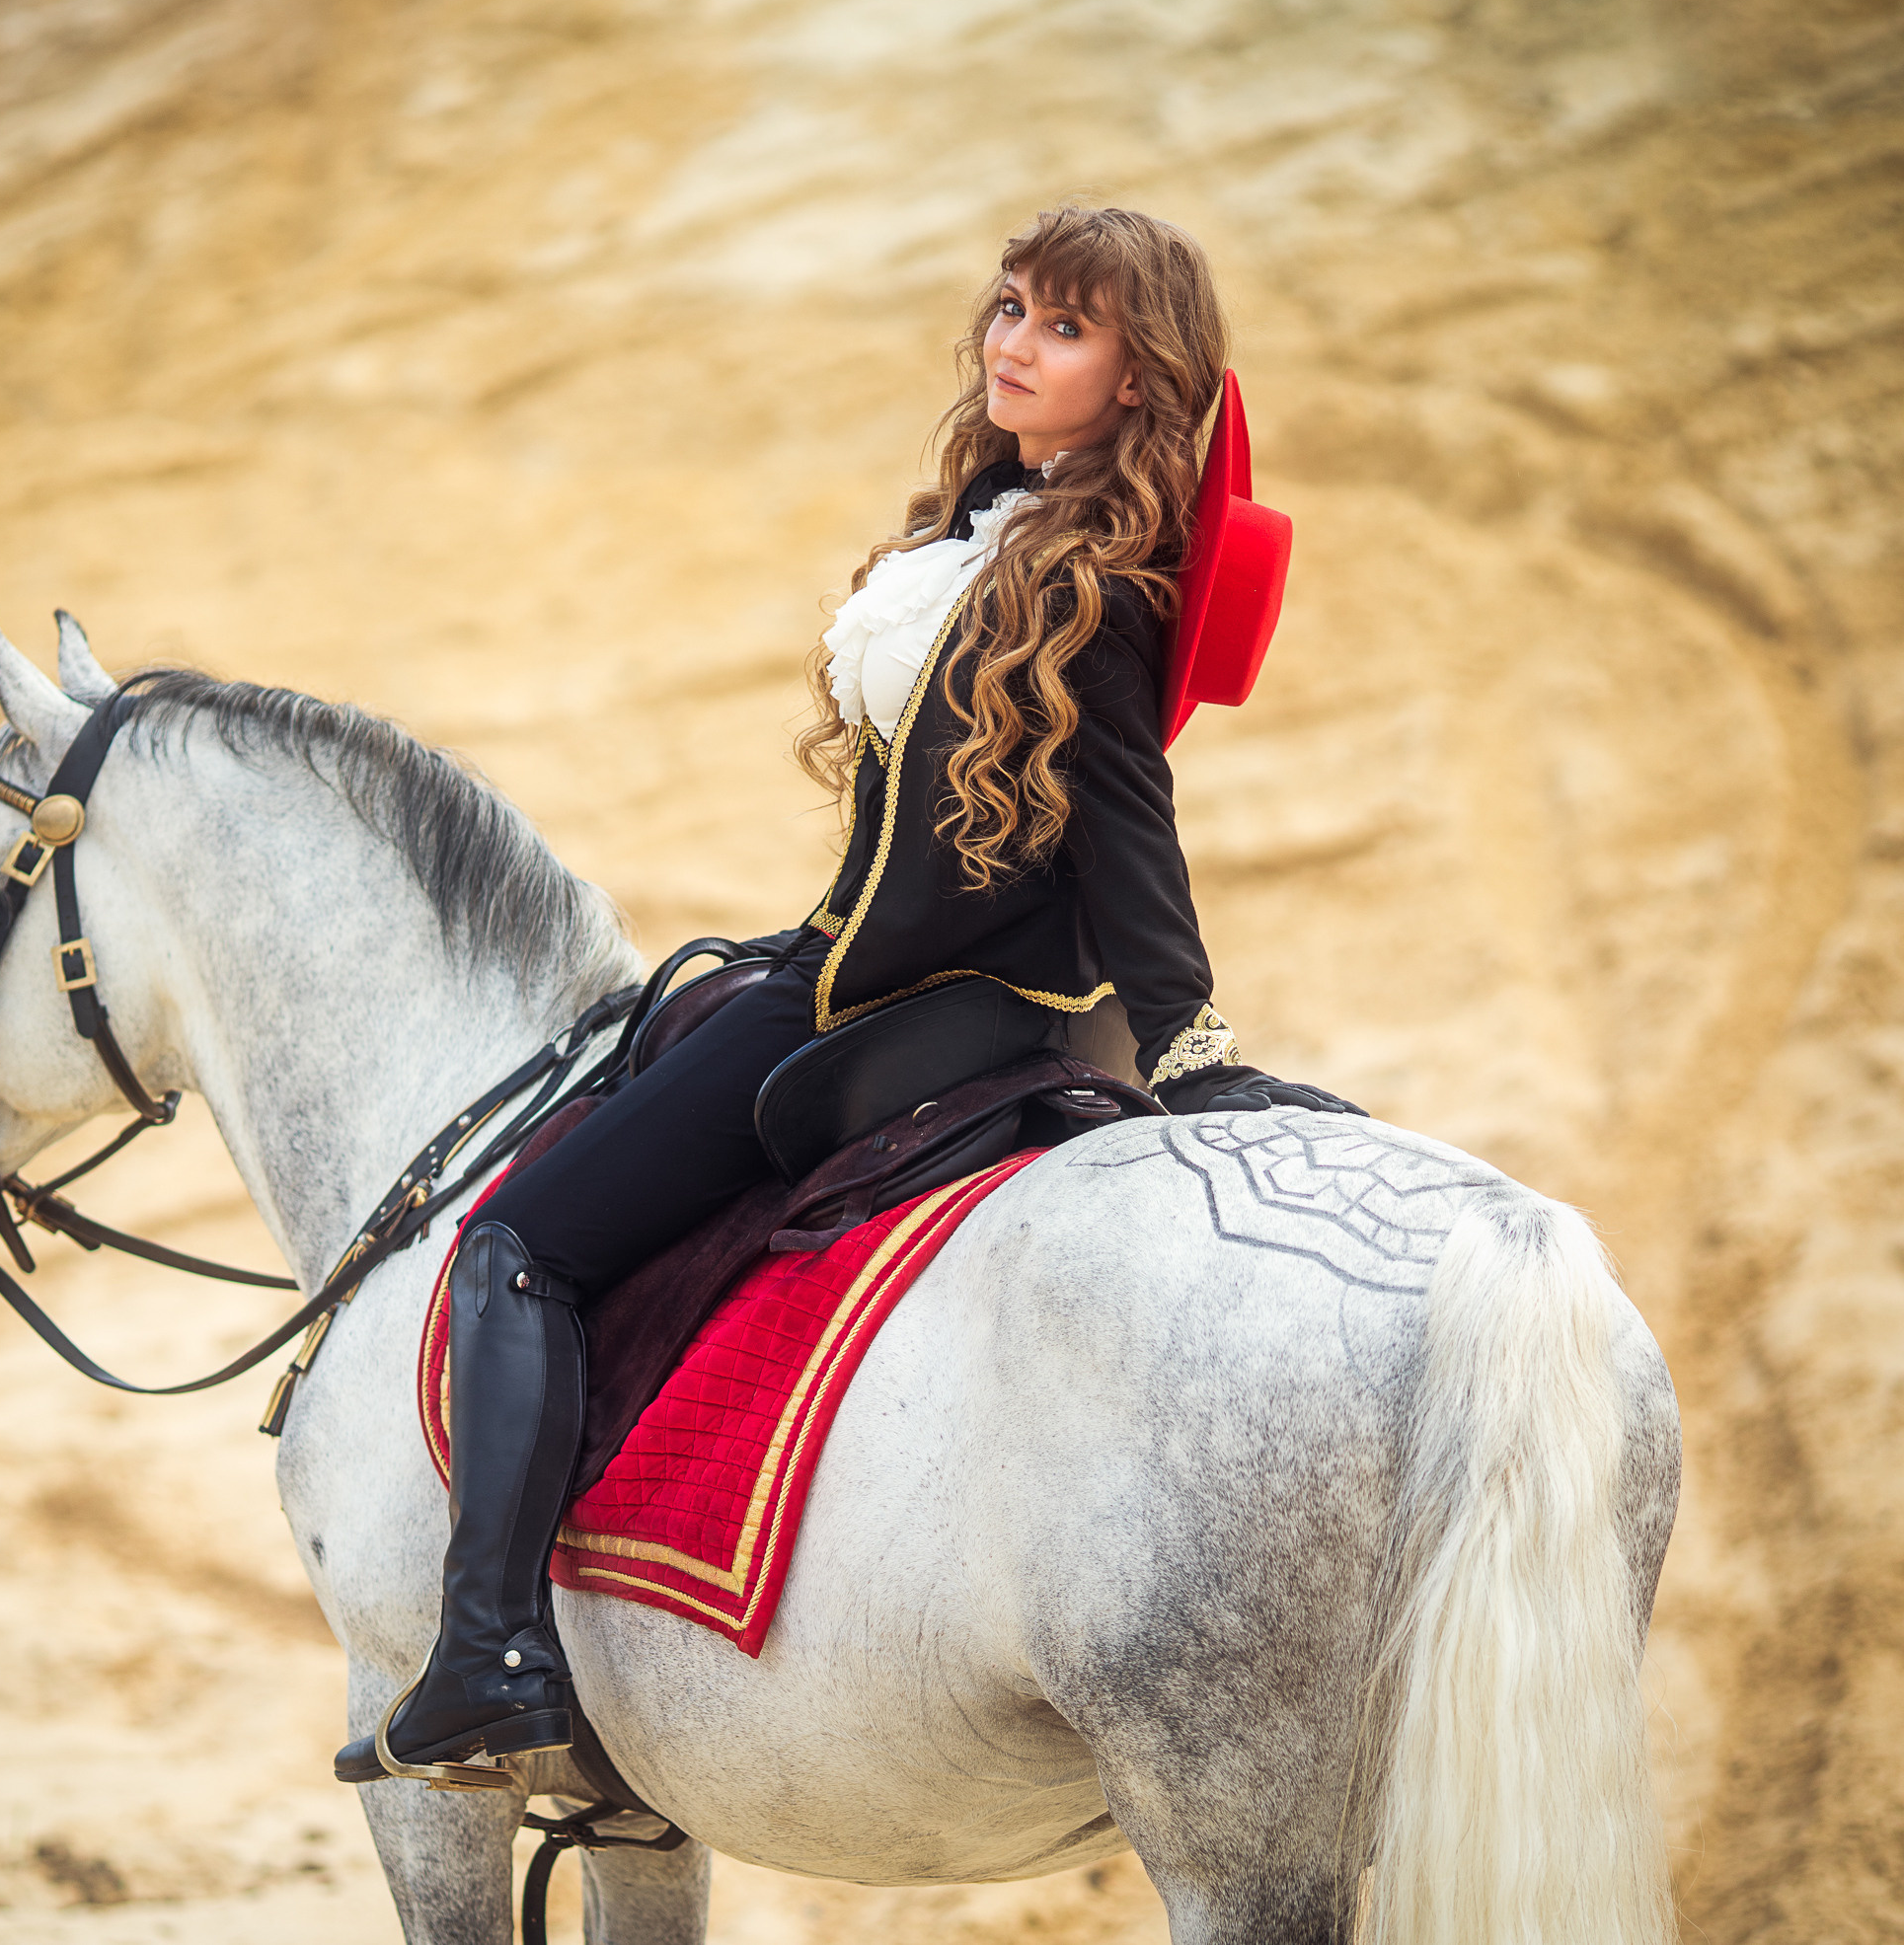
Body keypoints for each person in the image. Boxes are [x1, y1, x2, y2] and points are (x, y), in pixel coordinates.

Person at [337, 204, 1364, 1786]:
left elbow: (1129, 831)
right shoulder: (1003, 535)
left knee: (518, 1240)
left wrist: (1191, 1045)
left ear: (1140, 378)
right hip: (863, 964)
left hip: (911, 1007)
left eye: (1067, 326)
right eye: (1011, 306)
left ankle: (485, 1654)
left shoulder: (1091, 589)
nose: (1014, 343)